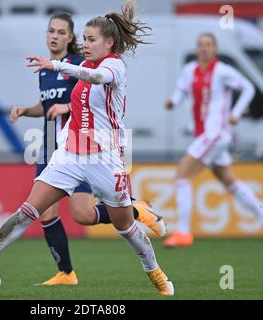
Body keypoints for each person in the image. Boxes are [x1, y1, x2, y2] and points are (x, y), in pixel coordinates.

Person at [0, 0, 174, 296]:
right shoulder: (82, 64)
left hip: (105, 159)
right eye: (84, 39)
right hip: (69, 154)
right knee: (28, 211)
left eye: (91, 39)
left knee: (126, 228)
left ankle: (155, 272)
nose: (86, 44)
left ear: (109, 42)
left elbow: (97, 77)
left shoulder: (115, 66)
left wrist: (55, 64)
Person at [9, 11, 166, 286]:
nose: (54, 36)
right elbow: (46, 105)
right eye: (51, 31)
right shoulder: (46, 70)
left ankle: (134, 211)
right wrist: (27, 110)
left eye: (61, 32)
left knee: (82, 215)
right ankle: (66, 272)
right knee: (46, 212)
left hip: (82, 147)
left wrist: (67, 107)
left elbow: (90, 96)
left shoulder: (82, 64)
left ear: (70, 37)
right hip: (50, 145)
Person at [163, 33, 263, 248]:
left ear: (215, 49)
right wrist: (173, 102)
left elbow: (248, 88)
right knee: (230, 182)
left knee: (181, 176)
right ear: (197, 49)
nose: (204, 49)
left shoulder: (223, 71)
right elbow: (180, 91)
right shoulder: (190, 71)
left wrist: (236, 112)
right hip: (204, 135)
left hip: (215, 134)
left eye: (208, 45)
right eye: (201, 45)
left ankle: (183, 232)